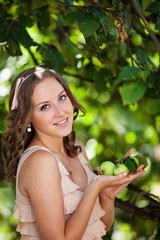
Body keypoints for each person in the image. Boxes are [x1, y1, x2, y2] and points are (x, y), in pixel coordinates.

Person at [1, 66, 145, 240]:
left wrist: (106, 196)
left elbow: (100, 228)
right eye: (45, 106)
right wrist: (94, 187)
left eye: (62, 98)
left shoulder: (76, 148)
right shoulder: (41, 162)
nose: (61, 112)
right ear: (28, 116)